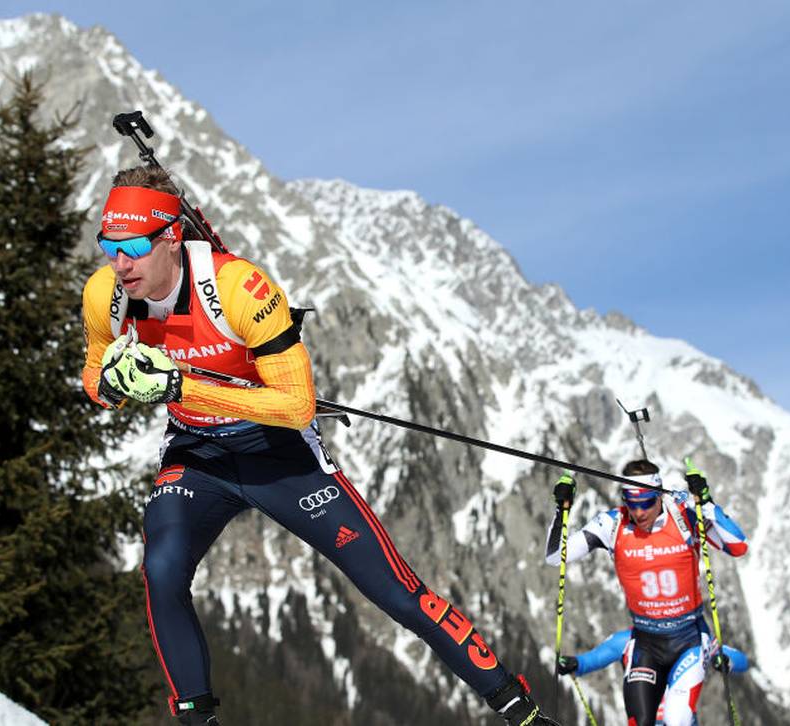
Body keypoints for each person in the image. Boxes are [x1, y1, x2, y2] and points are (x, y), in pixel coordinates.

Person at [81, 166, 559, 725]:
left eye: (133, 247)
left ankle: (518, 708)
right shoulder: (107, 294)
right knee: (162, 569)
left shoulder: (238, 287)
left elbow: (296, 405)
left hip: (278, 453)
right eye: (109, 246)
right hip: (198, 454)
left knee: (397, 593)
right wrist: (113, 385)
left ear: (170, 237)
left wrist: (182, 385)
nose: (120, 263)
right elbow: (94, 378)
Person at [543, 460, 747, 726]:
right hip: (646, 642)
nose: (639, 512)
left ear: (660, 494)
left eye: (646, 502)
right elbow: (556, 556)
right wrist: (562, 509)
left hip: (689, 640)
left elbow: (738, 546)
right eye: (631, 502)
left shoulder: (684, 515)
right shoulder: (613, 524)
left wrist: (706, 504)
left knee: (676, 719)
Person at [556, 628, 749, 726]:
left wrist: (726, 661)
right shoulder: (628, 640)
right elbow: (594, 659)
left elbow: (741, 660)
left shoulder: (694, 637)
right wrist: (574, 663)